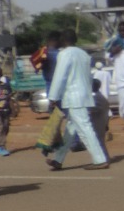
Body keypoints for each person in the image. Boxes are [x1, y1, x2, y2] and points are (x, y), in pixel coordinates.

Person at [44, 29, 110, 170]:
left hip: (74, 97)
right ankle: (58, 159)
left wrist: (53, 97)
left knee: (85, 128)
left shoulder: (65, 54)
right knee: (70, 130)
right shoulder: (83, 54)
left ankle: (100, 159)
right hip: (84, 95)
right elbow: (87, 76)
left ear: (63, 40)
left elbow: (60, 76)